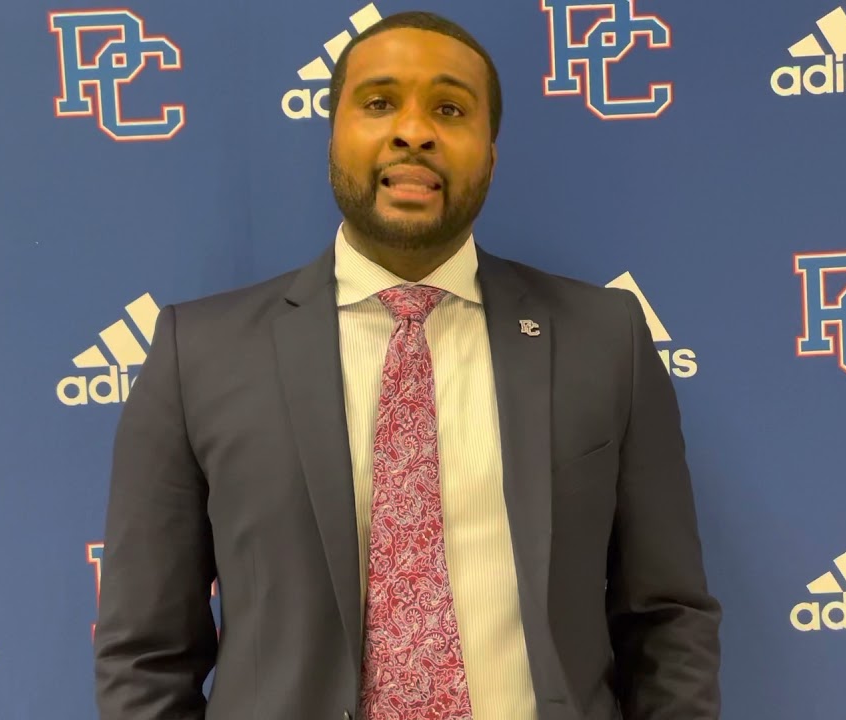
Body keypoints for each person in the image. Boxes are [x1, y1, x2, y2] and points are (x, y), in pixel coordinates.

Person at [94, 10, 721, 720]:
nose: (414, 131)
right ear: (333, 132)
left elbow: (668, 620)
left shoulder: (603, 339)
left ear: (490, 151)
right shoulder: (197, 354)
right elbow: (145, 655)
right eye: (380, 102)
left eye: (450, 109)